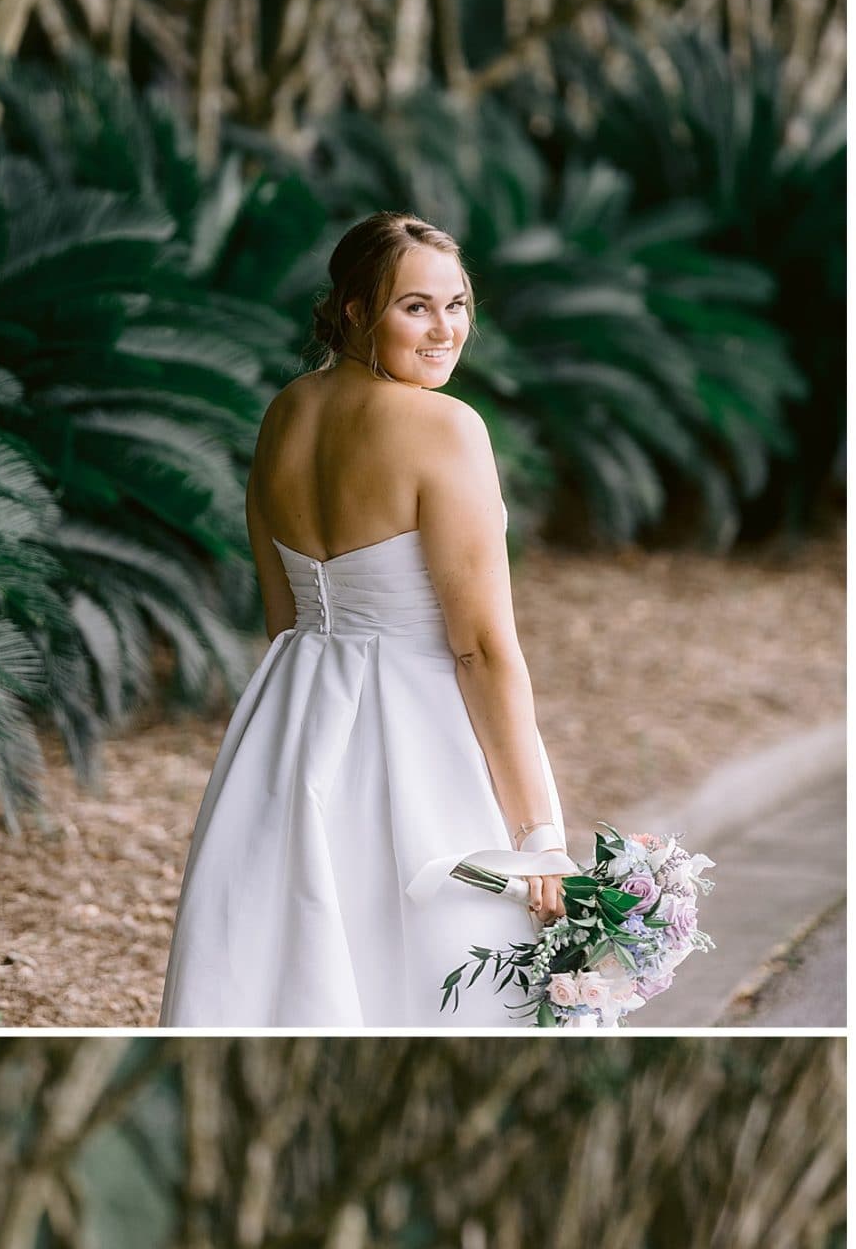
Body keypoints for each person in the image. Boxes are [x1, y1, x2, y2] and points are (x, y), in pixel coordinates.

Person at [161, 210, 571, 1029]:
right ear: (354, 309)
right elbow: (482, 649)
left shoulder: (284, 413)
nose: (445, 329)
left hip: (287, 720)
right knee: (451, 969)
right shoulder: (446, 428)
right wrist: (537, 833)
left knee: (287, 956)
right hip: (415, 732)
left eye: (456, 305)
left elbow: (284, 615)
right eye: (414, 307)